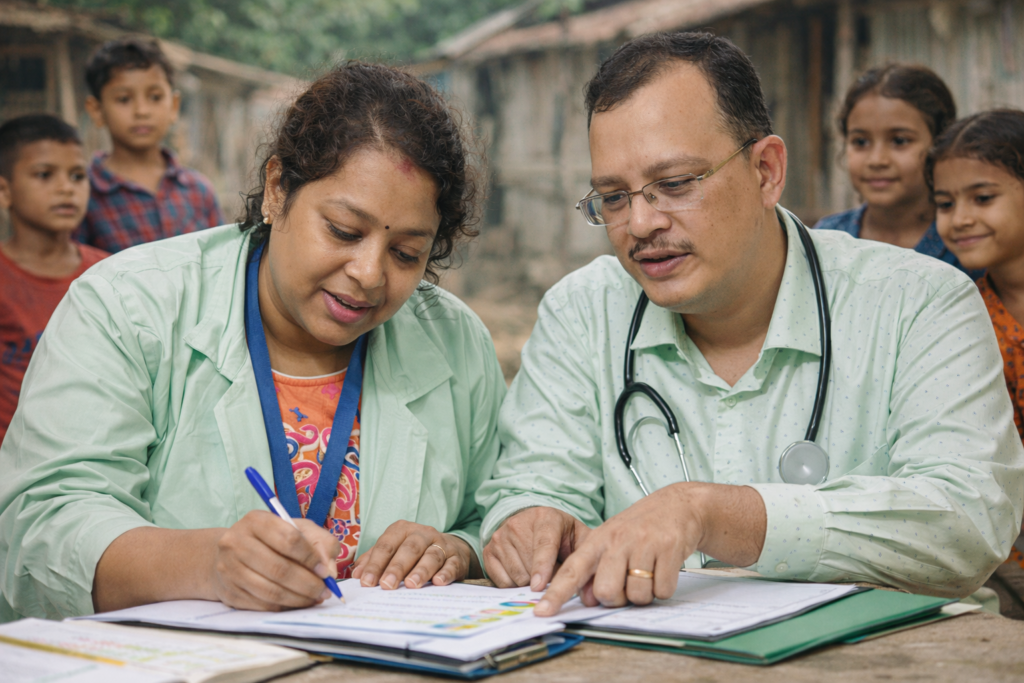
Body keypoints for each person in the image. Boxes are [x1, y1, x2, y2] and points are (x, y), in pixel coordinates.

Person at [476, 31, 1024, 617]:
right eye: (613, 197)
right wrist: (530, 521)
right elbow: (533, 483)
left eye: (674, 184)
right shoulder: (582, 313)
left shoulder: (918, 303)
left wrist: (712, 514)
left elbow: (968, 521)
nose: (639, 223)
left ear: (766, 170)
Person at [0, 62, 505, 621]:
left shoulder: (455, 340)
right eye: (342, 231)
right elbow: (39, 528)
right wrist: (207, 567)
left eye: (406, 253)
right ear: (277, 189)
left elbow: (504, 506)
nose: (368, 273)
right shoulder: (126, 307)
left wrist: (458, 549)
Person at [929, 108, 1024, 573]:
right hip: (1002, 554)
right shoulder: (960, 315)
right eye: (946, 204)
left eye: (982, 198)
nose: (960, 219)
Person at [0, 114, 107, 445]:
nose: (66, 188)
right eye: (44, 175)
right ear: (4, 191)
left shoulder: (108, 273)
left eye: (77, 176)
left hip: (91, 449)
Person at [815, 64, 977, 276]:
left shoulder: (966, 243)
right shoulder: (826, 240)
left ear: (939, 145)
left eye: (899, 141)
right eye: (860, 142)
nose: (877, 160)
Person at [75, 36, 224, 253]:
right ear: (97, 110)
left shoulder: (199, 191)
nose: (142, 111)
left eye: (155, 97)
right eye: (124, 99)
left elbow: (222, 261)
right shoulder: (85, 195)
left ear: (174, 106)